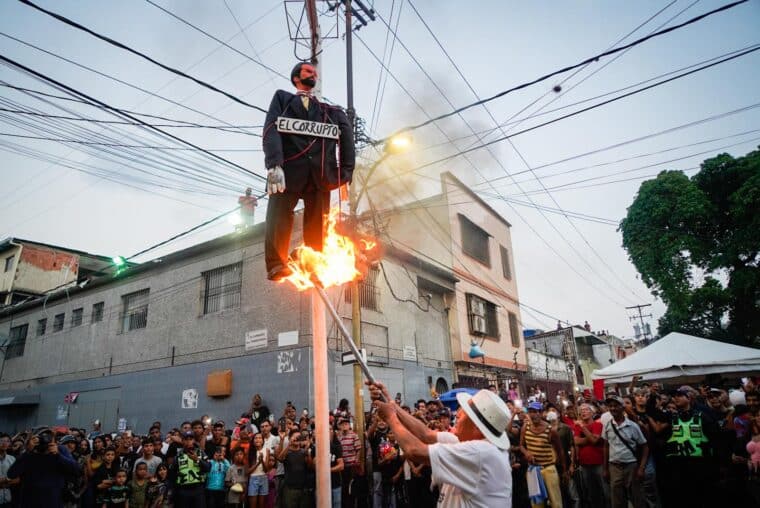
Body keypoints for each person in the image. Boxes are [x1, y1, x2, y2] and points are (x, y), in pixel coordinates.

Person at [262, 61, 355, 281]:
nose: (313, 74)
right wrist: (274, 164)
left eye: (314, 72)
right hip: (288, 172)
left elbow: (347, 137)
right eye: (307, 71)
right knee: (278, 216)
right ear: (296, 77)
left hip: (320, 175)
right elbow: (270, 129)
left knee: (318, 224)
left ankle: (314, 266)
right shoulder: (283, 99)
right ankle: (276, 264)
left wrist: (345, 172)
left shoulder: (331, 111)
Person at [368, 380, 513, 507]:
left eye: (462, 415)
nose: (457, 416)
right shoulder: (463, 441)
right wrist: (391, 403)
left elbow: (414, 450)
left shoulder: (483, 453)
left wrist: (390, 417)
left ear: (476, 427)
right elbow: (425, 434)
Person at [602, 395, 648, 508]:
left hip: (631, 466)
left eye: (616, 406)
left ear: (622, 408)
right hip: (614, 467)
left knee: (637, 498)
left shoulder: (633, 426)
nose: (613, 408)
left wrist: (641, 468)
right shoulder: (607, 425)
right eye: (610, 406)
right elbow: (606, 446)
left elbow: (645, 446)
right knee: (617, 501)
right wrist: (605, 468)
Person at [519, 402, 565, 508]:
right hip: (533, 470)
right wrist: (526, 453)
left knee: (556, 502)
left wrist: (564, 470)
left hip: (548, 468)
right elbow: (521, 445)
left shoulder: (550, 430)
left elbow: (560, 451)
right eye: (531, 412)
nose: (533, 415)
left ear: (541, 413)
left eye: (535, 412)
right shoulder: (525, 427)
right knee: (536, 503)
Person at [573, 403, 607, 508]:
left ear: (592, 412)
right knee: (592, 494)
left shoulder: (598, 425)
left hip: (599, 463)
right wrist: (590, 437)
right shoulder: (577, 426)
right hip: (585, 464)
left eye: (586, 409)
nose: (583, 412)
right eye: (581, 410)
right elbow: (576, 441)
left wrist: (583, 428)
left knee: (605, 492)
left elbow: (594, 441)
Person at [170, 431, 211, 508]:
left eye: (191, 439)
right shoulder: (178, 456)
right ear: (182, 441)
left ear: (194, 440)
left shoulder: (200, 453)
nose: (188, 441)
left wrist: (197, 460)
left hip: (198, 489)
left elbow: (208, 467)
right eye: (186, 439)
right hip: (183, 490)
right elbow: (172, 474)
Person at [247, 434, 271, 508]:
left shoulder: (267, 450)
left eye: (260, 438)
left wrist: (262, 461)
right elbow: (247, 472)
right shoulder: (249, 452)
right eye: (256, 438)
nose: (258, 439)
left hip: (264, 478)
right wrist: (258, 463)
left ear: (263, 441)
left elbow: (266, 470)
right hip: (253, 479)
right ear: (253, 441)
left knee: (261, 505)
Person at [0, 433, 18, 508]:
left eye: (7, 441)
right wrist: (8, 480)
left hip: (8, 498)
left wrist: (4, 482)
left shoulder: (12, 459)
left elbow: (17, 479)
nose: (4, 443)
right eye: (1, 441)